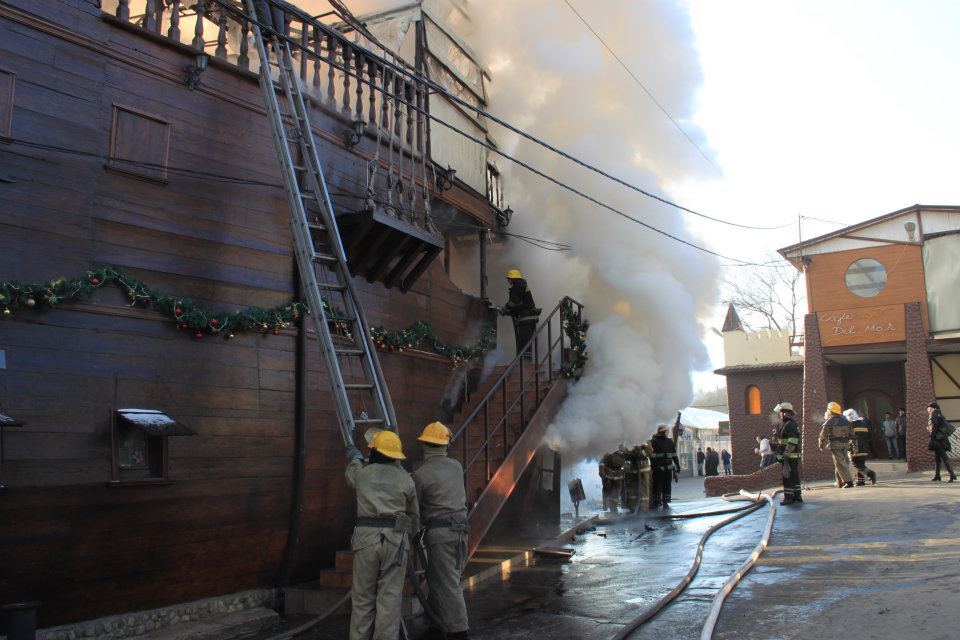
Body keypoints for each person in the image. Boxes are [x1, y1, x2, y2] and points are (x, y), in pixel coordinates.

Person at [344, 430, 419, 640]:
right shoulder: (406, 479)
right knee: (389, 598)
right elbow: (413, 515)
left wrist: (356, 459)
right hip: (396, 541)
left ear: (374, 452)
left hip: (366, 541)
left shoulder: (363, 474)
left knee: (362, 598)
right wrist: (412, 541)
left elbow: (352, 476)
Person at [410, 422, 471, 640]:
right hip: (462, 533)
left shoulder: (421, 475)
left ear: (425, 445)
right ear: (445, 445)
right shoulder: (456, 466)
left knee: (446, 583)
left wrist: (413, 532)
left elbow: (414, 510)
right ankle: (436, 626)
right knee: (440, 579)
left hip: (440, 536)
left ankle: (459, 632)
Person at [499, 269, 540, 359]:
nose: (508, 281)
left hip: (527, 318)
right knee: (525, 342)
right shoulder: (521, 286)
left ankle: (525, 364)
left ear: (513, 278)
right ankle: (524, 363)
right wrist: (509, 312)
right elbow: (519, 305)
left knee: (524, 342)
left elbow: (513, 302)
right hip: (528, 317)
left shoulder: (518, 286)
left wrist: (504, 310)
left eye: (509, 278)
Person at [819, 402, 855, 488]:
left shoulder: (829, 423)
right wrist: (854, 446)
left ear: (830, 412)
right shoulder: (846, 421)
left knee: (840, 463)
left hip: (835, 446)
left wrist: (821, 445)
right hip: (846, 445)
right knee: (841, 463)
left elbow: (822, 436)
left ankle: (848, 482)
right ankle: (839, 482)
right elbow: (853, 435)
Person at [773, 402, 803, 505]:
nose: (780, 415)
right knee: (794, 476)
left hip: (789, 456)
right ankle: (797, 496)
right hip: (791, 456)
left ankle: (789, 498)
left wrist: (785, 453)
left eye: (781, 413)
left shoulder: (789, 425)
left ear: (786, 413)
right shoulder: (788, 424)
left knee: (787, 477)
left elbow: (793, 440)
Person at [649, 426, 680, 509]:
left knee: (659, 485)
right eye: (667, 431)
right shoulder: (655, 441)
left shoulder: (654, 441)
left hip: (660, 469)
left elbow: (673, 455)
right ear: (664, 431)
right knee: (663, 485)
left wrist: (677, 465)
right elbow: (652, 456)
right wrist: (677, 466)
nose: (668, 432)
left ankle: (659, 502)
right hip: (662, 468)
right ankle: (662, 502)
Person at [845, 409, 877, 486]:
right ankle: (860, 481)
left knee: (855, 464)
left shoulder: (850, 426)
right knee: (861, 463)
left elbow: (848, 437)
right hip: (865, 447)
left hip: (855, 448)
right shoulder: (863, 424)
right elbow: (869, 435)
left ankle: (871, 474)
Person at [927, 402, 956, 482]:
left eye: (928, 408)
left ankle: (952, 475)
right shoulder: (940, 414)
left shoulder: (934, 415)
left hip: (938, 439)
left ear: (932, 408)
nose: (927, 409)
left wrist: (931, 435)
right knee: (937, 458)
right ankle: (937, 475)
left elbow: (935, 427)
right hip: (941, 438)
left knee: (944, 457)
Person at [598, 447, 626, 512]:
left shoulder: (621, 454)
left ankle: (612, 508)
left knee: (615, 493)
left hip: (617, 477)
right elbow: (601, 466)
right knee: (608, 492)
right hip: (609, 478)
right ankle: (607, 507)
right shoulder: (607, 455)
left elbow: (626, 465)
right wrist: (603, 475)